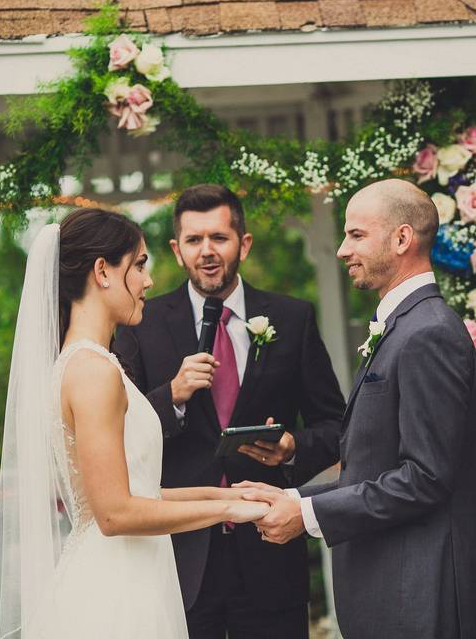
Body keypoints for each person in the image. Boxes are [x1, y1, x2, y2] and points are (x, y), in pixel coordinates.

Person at [0, 208, 268, 639]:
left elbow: (141, 492)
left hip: (134, 569)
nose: (148, 281)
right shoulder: (92, 371)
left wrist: (227, 494)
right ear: (102, 271)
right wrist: (227, 509)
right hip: (115, 588)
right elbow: (115, 514)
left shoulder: (92, 364)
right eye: (138, 265)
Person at [241, 179, 476, 639]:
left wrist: (309, 517)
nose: (341, 250)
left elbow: (425, 478)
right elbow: (377, 465)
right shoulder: (403, 328)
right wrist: (295, 498)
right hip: (388, 591)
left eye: (356, 235)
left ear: (401, 239)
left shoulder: (427, 333)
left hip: (416, 596)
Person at [116, 185, 345, 639]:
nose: (207, 252)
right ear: (176, 250)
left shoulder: (292, 318)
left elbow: (338, 425)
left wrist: (293, 448)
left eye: (219, 238)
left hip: (270, 550)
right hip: (178, 557)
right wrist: (173, 396)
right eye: (194, 240)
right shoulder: (141, 324)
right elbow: (118, 435)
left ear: (244, 243)